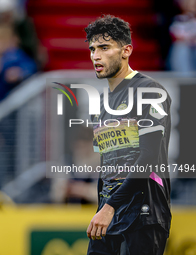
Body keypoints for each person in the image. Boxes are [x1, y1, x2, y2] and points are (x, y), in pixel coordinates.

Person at [84, 15, 172, 255]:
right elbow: (107, 166)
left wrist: (109, 207)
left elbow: (148, 157)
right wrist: (104, 206)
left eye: (104, 47)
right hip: (109, 215)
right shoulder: (100, 106)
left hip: (144, 214)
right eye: (92, 49)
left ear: (126, 50)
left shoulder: (149, 90)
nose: (95, 55)